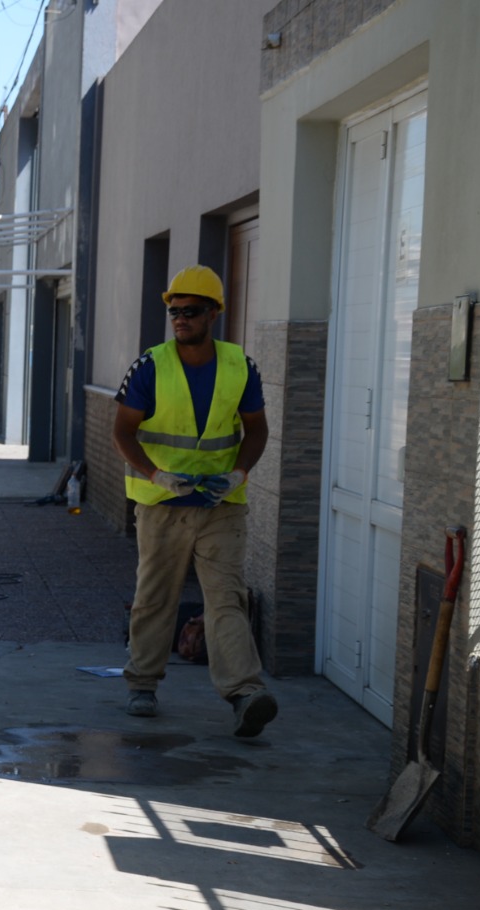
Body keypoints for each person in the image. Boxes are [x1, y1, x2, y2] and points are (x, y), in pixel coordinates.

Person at [111, 265, 277, 737]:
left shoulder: (239, 367)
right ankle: (142, 684)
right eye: (174, 311)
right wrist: (157, 475)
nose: (180, 319)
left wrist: (239, 473)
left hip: (221, 505)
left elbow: (257, 429)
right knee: (155, 596)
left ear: (213, 314)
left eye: (190, 311)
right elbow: (122, 431)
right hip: (163, 504)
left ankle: (245, 694)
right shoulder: (150, 366)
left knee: (227, 599)